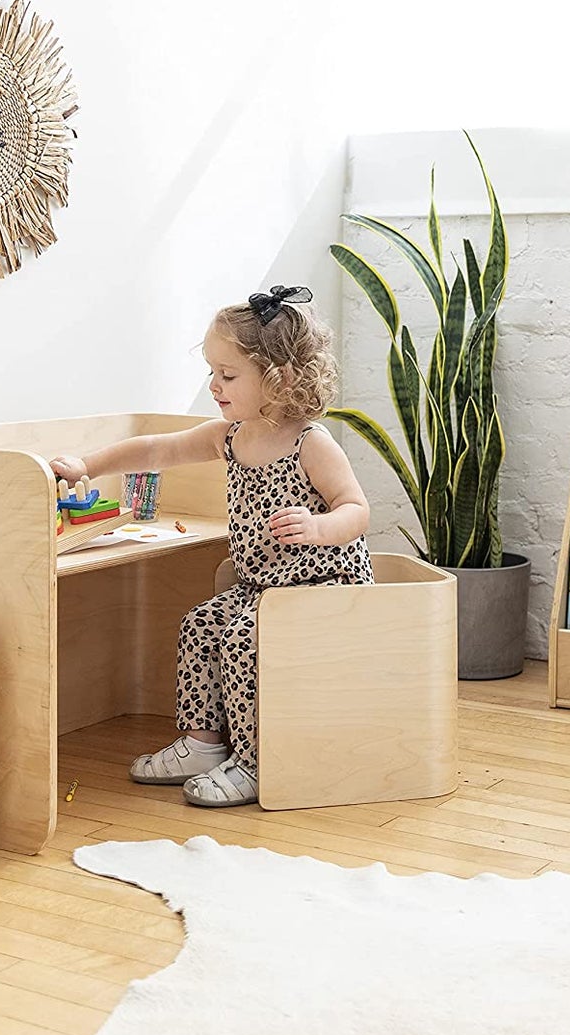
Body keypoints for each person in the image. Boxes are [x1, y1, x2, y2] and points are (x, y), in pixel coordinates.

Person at [51, 285, 373, 807]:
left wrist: (318, 527)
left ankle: (254, 761)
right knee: (202, 622)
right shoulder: (230, 435)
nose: (214, 385)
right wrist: (88, 465)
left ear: (279, 378)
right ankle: (204, 745)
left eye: (228, 375)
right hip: (262, 585)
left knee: (245, 639)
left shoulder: (310, 442)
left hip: (322, 588)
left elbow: (356, 511)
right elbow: (158, 448)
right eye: (211, 372)